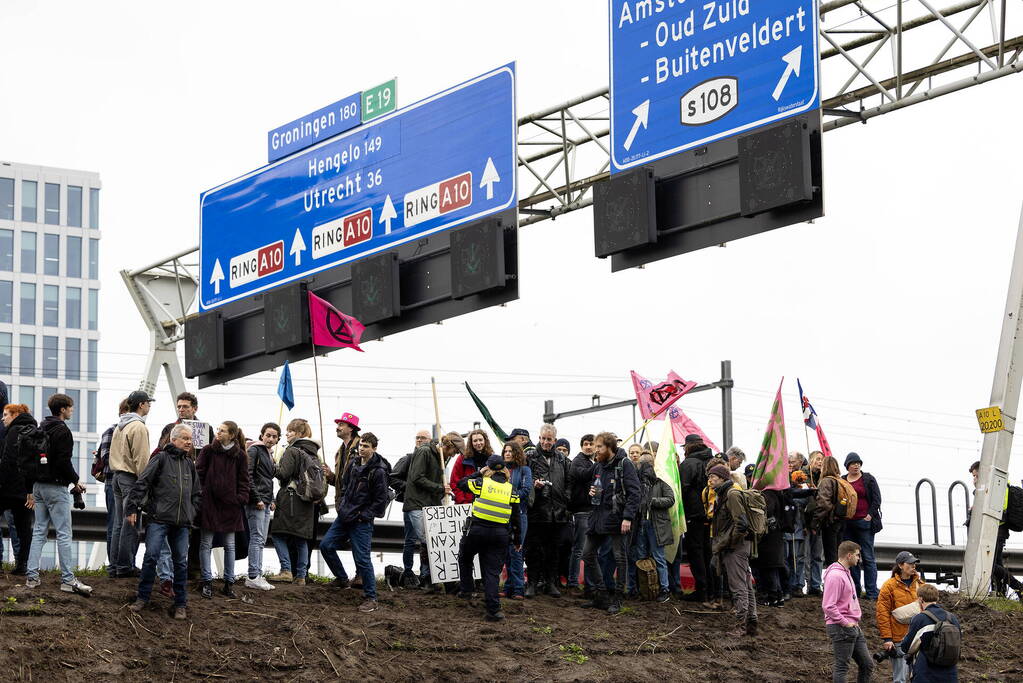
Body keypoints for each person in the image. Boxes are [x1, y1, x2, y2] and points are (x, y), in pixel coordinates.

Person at [126, 424, 201, 620]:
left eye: (190, 439)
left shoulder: (189, 465)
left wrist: (191, 513)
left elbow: (197, 494)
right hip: (159, 519)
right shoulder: (160, 458)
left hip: (182, 523)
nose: (188, 442)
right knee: (151, 556)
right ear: (173, 440)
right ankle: (142, 598)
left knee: (181, 564)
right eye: (184, 438)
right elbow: (142, 482)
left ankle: (180, 604)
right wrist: (132, 507)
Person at [24, 393, 91, 596]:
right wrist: (76, 480)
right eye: (70, 408)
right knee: (63, 533)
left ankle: (32, 577)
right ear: (62, 409)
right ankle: (68, 580)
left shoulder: (41, 427)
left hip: (38, 486)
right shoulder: (62, 431)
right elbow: (63, 462)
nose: (72, 410)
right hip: (55, 487)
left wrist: (30, 489)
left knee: (39, 531)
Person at [320, 432, 390, 613]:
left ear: (374, 448)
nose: (362, 449)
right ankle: (342, 579)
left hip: (361, 522)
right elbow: (344, 486)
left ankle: (371, 598)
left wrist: (362, 515)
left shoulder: (379, 471)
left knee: (362, 559)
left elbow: (380, 502)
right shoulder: (353, 464)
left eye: (366, 446)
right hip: (344, 516)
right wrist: (343, 506)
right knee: (326, 546)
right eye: (361, 445)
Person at [580, 431, 640, 614]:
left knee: (620, 557)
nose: (595, 450)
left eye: (599, 447)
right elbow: (595, 488)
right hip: (598, 517)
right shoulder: (598, 466)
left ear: (610, 448)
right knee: (588, 554)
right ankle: (602, 594)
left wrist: (628, 517)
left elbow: (635, 493)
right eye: (595, 446)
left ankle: (618, 598)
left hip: (617, 518)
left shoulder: (625, 464)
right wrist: (591, 493)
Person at [458, 454, 523, 621]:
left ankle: (466, 590)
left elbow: (461, 483)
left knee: (465, 557)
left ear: (488, 468)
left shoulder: (480, 483)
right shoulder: (511, 489)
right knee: (492, 572)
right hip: (500, 535)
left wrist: (479, 473)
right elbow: (516, 517)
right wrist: (517, 540)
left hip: (477, 531)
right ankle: (494, 610)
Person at [196, 421, 250, 599]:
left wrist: (240, 499)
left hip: (230, 507)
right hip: (209, 504)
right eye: (218, 430)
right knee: (206, 544)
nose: (218, 433)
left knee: (230, 545)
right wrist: (203, 495)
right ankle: (206, 582)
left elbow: (244, 481)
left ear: (232, 435)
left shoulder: (240, 455)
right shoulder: (208, 451)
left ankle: (229, 583)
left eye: (222, 431)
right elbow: (199, 474)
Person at [268, 419, 320, 585]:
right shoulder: (314, 452)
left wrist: (273, 465)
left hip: (290, 498)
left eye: (290, 431)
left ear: (299, 434)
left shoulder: (292, 450)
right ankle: (301, 576)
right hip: (308, 501)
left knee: (277, 534)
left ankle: (286, 570)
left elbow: (284, 474)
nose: (287, 434)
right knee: (301, 538)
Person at [708, 464, 758, 636]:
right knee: (745, 585)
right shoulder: (724, 494)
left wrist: (729, 543)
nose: (710, 479)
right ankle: (751, 622)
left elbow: (741, 524)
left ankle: (741, 626)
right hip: (737, 545)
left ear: (722, 478)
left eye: (713, 476)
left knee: (738, 588)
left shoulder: (731, 495)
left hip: (736, 547)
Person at [109, 390, 154, 578]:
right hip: (131, 479)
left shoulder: (121, 426)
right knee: (131, 524)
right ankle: (125, 566)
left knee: (119, 524)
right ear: (141, 405)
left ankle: (114, 566)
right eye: (148, 403)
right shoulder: (139, 427)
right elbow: (142, 459)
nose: (150, 406)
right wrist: (145, 484)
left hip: (117, 477)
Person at [525, 423, 571, 598]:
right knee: (533, 550)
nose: (545, 442)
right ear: (539, 438)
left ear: (555, 440)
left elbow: (569, 483)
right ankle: (532, 583)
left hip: (557, 512)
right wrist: (533, 486)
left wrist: (566, 500)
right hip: (536, 511)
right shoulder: (530, 457)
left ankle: (551, 583)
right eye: (543, 438)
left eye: (549, 439)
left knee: (554, 550)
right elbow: (523, 479)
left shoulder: (563, 460)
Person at [968, 460, 1022, 596]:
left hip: (996, 531)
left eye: (976, 476)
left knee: (989, 565)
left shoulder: (997, 487)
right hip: (995, 531)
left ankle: (1018, 586)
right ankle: (1000, 592)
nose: (974, 479)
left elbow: (998, 510)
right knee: (996, 563)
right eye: (973, 476)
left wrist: (978, 508)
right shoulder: (986, 488)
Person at [822, 540, 874, 683]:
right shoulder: (835, 576)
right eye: (857, 555)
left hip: (852, 626)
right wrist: (845, 623)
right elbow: (828, 605)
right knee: (842, 667)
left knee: (867, 664)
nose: (859, 558)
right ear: (849, 555)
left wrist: (852, 623)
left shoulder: (845, 573)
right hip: (842, 627)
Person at [630, 451, 674, 602]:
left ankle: (664, 588)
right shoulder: (637, 482)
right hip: (641, 524)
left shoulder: (661, 482)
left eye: (646, 464)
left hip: (656, 525)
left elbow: (670, 499)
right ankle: (644, 588)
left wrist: (653, 501)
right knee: (641, 557)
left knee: (658, 557)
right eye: (642, 465)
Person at [900, 583, 961, 682]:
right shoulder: (951, 618)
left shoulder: (920, 618)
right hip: (950, 674)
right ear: (936, 599)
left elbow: (907, 647)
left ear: (920, 599)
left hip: (925, 673)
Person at [0, 404, 36, 575]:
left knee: (22, 527)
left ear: (15, 415)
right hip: (27, 489)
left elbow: (7, 460)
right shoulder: (34, 430)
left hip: (8, 487)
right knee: (24, 528)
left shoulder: (14, 431)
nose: (3, 418)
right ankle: (23, 565)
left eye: (6, 415)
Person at [842, 452, 883, 599]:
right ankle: (855, 591)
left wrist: (870, 515)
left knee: (868, 557)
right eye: (853, 463)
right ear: (847, 466)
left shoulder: (868, 479)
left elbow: (877, 499)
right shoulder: (843, 480)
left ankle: (871, 592)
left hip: (864, 523)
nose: (856, 465)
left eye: (858, 463)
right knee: (852, 557)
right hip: (848, 523)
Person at [876, 551, 922, 683]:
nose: (914, 566)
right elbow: (882, 613)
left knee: (918, 677)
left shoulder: (921, 585)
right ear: (901, 565)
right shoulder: (889, 586)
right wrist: (887, 638)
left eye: (915, 563)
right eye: (910, 563)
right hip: (898, 638)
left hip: (918, 637)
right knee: (900, 679)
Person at [679, 433, 714, 602]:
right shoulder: (712, 461)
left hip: (694, 514)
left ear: (688, 446)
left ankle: (701, 590)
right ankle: (712, 588)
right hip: (711, 514)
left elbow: (682, 489)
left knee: (696, 551)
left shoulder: (689, 463)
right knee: (709, 551)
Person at [245, 422, 280, 591]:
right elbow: (249, 475)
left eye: (274, 436)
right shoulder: (254, 450)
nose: (271, 439)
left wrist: (271, 499)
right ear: (262, 435)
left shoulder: (268, 454)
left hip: (265, 500)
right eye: (268, 435)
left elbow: (267, 479)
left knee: (261, 539)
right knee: (257, 537)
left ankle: (257, 574)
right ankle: (253, 575)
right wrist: (257, 498)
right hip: (257, 502)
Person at [97, 400, 128, 576]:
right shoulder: (112, 430)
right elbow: (107, 458)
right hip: (113, 481)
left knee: (122, 523)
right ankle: (113, 564)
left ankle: (121, 562)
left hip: (122, 482)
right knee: (114, 523)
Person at [399, 430, 433, 586]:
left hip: (427, 505)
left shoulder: (433, 459)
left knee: (427, 542)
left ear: (430, 440)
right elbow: (393, 477)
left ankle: (425, 574)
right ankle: (408, 572)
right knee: (411, 540)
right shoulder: (408, 458)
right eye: (417, 437)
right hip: (412, 505)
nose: (419, 440)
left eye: (423, 438)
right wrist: (410, 488)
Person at [502, 440, 532, 600]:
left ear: (517, 453)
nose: (507, 453)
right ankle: (508, 588)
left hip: (519, 514)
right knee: (507, 553)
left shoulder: (525, 470)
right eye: (505, 451)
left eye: (510, 451)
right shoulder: (500, 472)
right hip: (503, 514)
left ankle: (519, 589)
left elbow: (526, 490)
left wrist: (509, 498)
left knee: (516, 550)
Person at [567, 434, 596, 592]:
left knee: (590, 549)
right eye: (586, 444)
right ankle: (573, 581)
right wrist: (598, 465)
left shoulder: (592, 461)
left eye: (592, 444)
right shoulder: (578, 461)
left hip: (591, 510)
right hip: (580, 511)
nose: (589, 447)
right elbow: (584, 475)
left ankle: (588, 583)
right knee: (579, 548)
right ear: (581, 446)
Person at [754, 486, 787, 607]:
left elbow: (766, 511)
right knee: (773, 568)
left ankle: (773, 597)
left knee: (769, 568)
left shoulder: (768, 494)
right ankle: (778, 596)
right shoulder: (778, 493)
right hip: (776, 536)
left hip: (769, 538)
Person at [324, 411, 361, 515]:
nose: (337, 428)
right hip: (343, 504)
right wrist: (330, 475)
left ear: (351, 428)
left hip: (356, 505)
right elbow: (342, 482)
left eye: (341, 425)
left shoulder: (361, 447)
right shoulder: (339, 452)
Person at [814, 455, 846, 566]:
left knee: (831, 556)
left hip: (830, 522)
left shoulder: (826, 481)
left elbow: (824, 504)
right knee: (839, 556)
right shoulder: (841, 481)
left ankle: (833, 581)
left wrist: (815, 521)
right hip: (841, 521)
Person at [450, 429, 493, 505]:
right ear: (471, 443)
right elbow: (454, 482)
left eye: (480, 440)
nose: (478, 443)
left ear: (485, 441)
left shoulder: (492, 459)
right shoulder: (463, 458)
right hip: (466, 504)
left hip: (486, 504)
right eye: (475, 441)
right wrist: (463, 501)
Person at [804, 450, 826, 596]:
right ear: (811, 460)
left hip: (819, 522)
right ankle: (805, 583)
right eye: (818, 459)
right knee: (805, 555)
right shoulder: (802, 476)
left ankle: (816, 585)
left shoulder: (824, 478)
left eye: (822, 460)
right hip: (805, 521)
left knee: (817, 555)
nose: (820, 462)